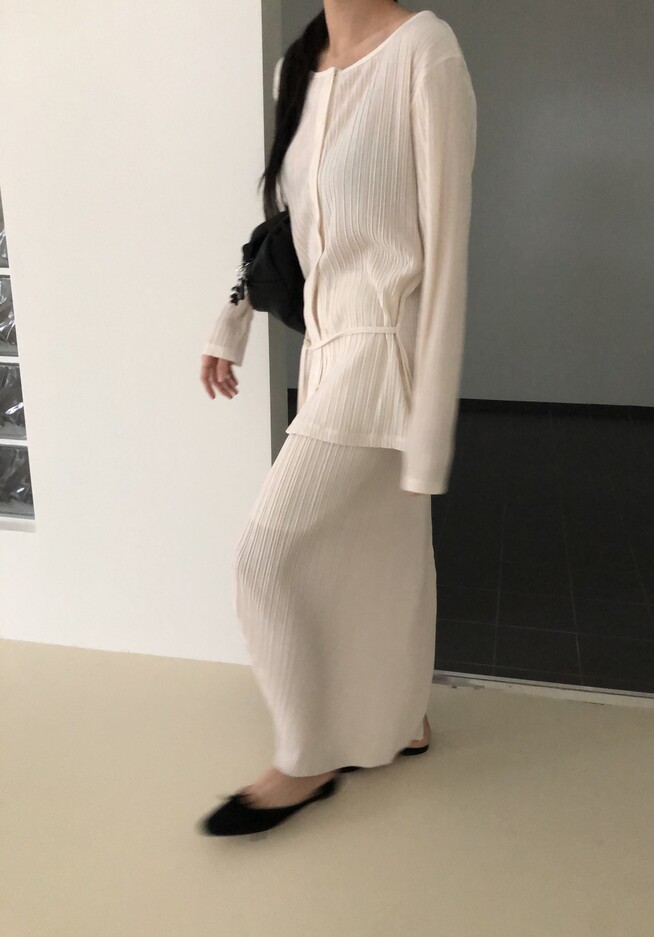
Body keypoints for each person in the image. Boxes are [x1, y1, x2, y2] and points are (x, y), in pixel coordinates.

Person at [198, 0, 476, 836]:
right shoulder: (295, 69)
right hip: (323, 350)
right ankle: (404, 719)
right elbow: (289, 228)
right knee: (388, 553)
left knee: (265, 556)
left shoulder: (425, 52)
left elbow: (449, 251)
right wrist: (231, 318)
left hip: (383, 354)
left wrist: (431, 429)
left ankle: (306, 754)